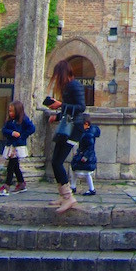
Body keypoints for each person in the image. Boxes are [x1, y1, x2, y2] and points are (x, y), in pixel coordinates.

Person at [46, 59, 86, 212]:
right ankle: (63, 195)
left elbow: (81, 107)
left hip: (74, 128)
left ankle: (69, 197)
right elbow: (69, 110)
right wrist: (56, 115)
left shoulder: (75, 85)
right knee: (55, 161)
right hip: (67, 126)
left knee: (57, 161)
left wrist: (61, 105)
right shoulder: (67, 87)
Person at [0, 101, 35, 196]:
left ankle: (7, 185)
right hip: (11, 144)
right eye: (9, 111)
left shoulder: (24, 120)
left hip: (18, 145)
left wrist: (22, 136)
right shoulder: (9, 121)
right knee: (15, 165)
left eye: (12, 111)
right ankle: (21, 183)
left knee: (11, 165)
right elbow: (4, 130)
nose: (10, 113)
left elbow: (32, 128)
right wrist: (11, 133)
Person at [70, 115, 101, 196]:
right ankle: (73, 186)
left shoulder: (88, 135)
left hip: (85, 156)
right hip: (83, 154)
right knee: (75, 170)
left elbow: (90, 147)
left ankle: (91, 189)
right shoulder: (89, 133)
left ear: (86, 124)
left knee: (86, 173)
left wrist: (85, 157)